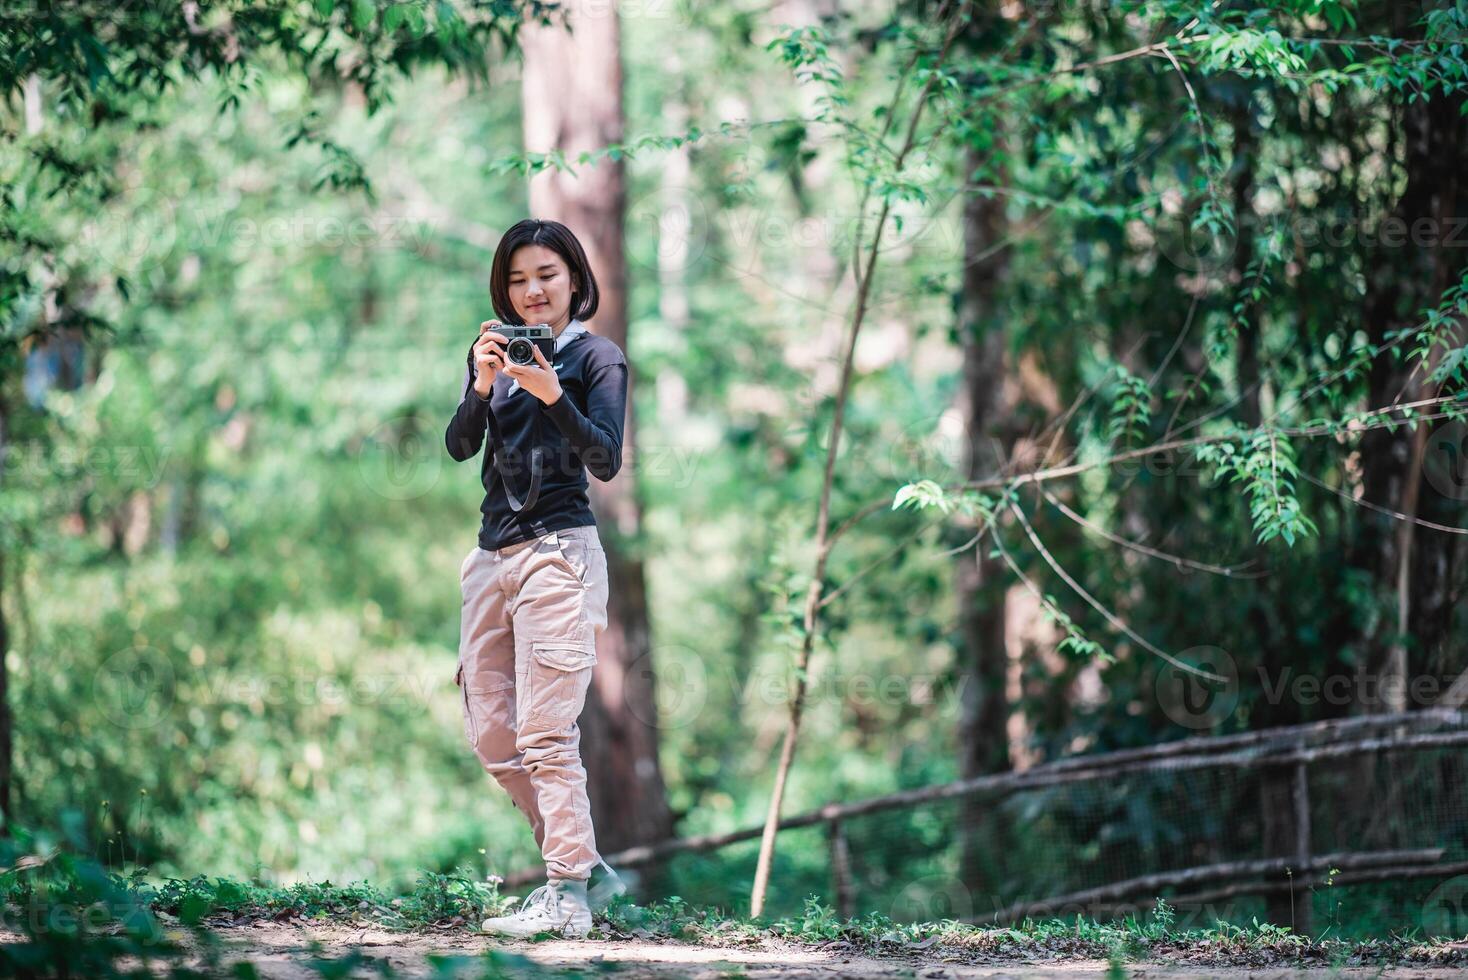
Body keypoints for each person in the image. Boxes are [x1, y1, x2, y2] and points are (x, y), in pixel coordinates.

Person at [444, 218, 628, 938]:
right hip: (491, 557)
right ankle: (576, 864)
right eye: (517, 279)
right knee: (495, 738)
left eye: (546, 275)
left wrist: (554, 394)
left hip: (559, 555)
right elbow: (461, 446)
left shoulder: (597, 359)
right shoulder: (492, 351)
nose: (532, 291)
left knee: (547, 734)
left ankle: (568, 892)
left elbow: (605, 458)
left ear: (575, 280)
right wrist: (485, 383)